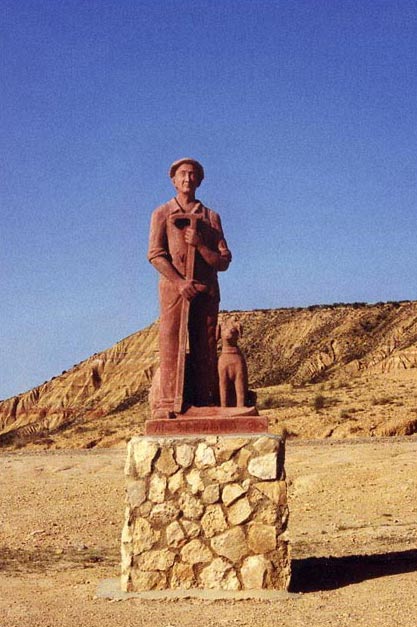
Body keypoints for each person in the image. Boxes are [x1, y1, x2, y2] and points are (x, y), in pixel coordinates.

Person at [148, 158, 231, 418]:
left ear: (199, 180)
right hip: (174, 289)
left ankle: (204, 401)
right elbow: (155, 254)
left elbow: (224, 260)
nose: (187, 179)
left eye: (193, 174)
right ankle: (168, 401)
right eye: (182, 174)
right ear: (173, 180)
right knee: (171, 339)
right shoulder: (162, 213)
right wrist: (179, 282)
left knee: (204, 343)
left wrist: (201, 245)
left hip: (205, 289)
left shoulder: (211, 218)